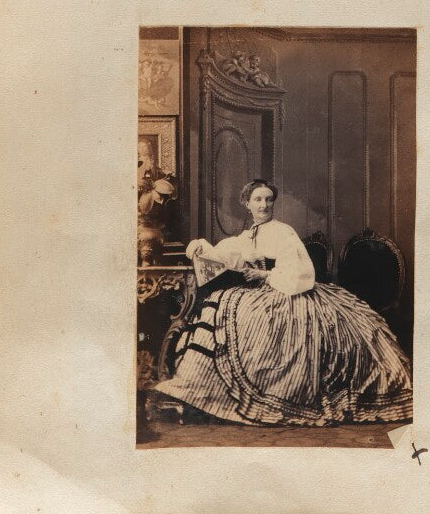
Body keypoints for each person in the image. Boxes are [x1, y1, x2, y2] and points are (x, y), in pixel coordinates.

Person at [155, 180, 412, 426]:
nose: (264, 205)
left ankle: (271, 392)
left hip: (287, 291)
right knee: (221, 306)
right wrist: (199, 247)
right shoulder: (248, 234)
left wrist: (264, 275)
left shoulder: (283, 231)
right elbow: (226, 254)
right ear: (246, 203)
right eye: (258, 199)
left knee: (256, 318)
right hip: (259, 291)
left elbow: (299, 270)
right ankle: (202, 392)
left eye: (268, 200)